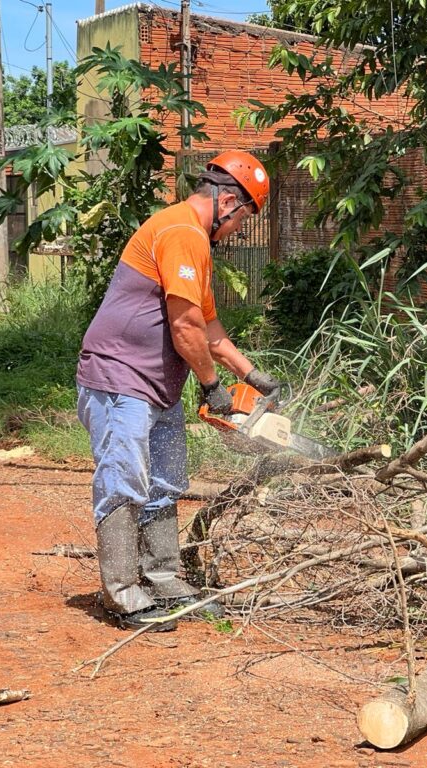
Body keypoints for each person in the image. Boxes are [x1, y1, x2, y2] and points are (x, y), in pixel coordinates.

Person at [76, 150, 282, 631]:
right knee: (125, 478)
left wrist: (252, 376)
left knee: (165, 478)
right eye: (243, 220)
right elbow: (185, 324)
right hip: (120, 377)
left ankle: (163, 576)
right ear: (228, 201)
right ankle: (123, 591)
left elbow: (208, 323)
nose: (238, 230)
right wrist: (212, 386)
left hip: (158, 384)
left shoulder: (193, 242)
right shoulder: (181, 231)